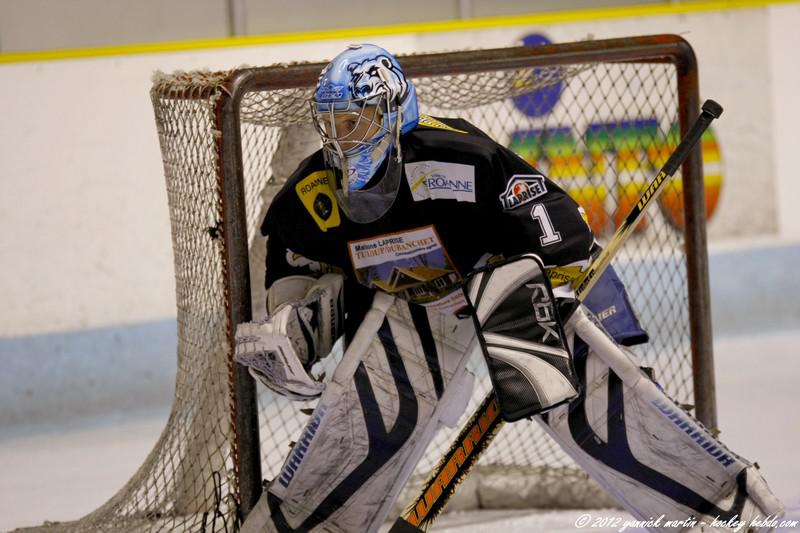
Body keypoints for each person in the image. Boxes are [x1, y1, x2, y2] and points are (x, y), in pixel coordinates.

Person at [234, 44, 782, 533]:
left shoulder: (457, 158)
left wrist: (553, 298)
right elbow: (295, 265)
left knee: (589, 398)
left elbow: (555, 224)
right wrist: (291, 330)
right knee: (372, 420)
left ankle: (721, 512)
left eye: (355, 121)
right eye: (333, 123)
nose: (342, 137)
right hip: (409, 309)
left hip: (497, 286)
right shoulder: (310, 194)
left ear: (394, 111)